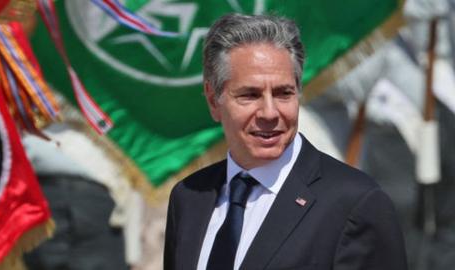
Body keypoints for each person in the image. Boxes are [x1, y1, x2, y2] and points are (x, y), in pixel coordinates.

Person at [164, 14, 408, 270]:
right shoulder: (189, 198)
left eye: (283, 93)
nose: (269, 112)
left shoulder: (354, 203)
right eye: (250, 95)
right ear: (214, 100)